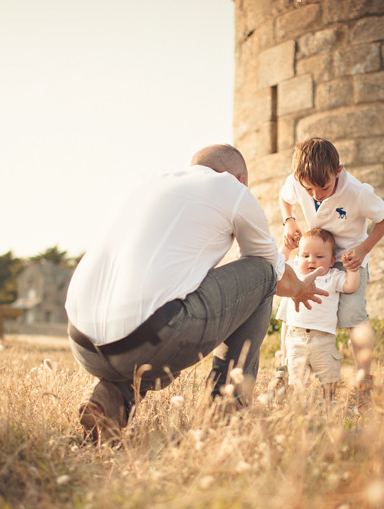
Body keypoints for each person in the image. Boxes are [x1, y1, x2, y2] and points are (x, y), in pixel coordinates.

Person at [64, 144, 327, 441]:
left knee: (166, 299)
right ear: (240, 178)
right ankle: (227, 411)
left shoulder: (149, 184)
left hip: (81, 343)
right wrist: (301, 288)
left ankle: (112, 397)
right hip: (148, 340)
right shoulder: (233, 190)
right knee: (263, 271)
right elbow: (274, 274)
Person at [278, 137, 384, 389]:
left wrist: (363, 250)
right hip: (316, 253)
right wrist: (289, 219)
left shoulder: (357, 192)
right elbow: (284, 197)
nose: (316, 195)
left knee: (353, 314)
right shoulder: (299, 182)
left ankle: (364, 376)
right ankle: (288, 363)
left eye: (324, 188)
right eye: (309, 190)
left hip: (351, 258)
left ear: (338, 172)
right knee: (296, 304)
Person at [277, 228, 360, 400]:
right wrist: (287, 248)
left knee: (329, 375)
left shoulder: (333, 276)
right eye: (305, 256)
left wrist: (352, 268)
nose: (311, 261)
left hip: (323, 337)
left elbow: (351, 286)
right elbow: (277, 266)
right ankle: (300, 405)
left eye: (319, 257)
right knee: (297, 378)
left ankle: (328, 401)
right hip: (296, 336)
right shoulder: (295, 272)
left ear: (332, 260)